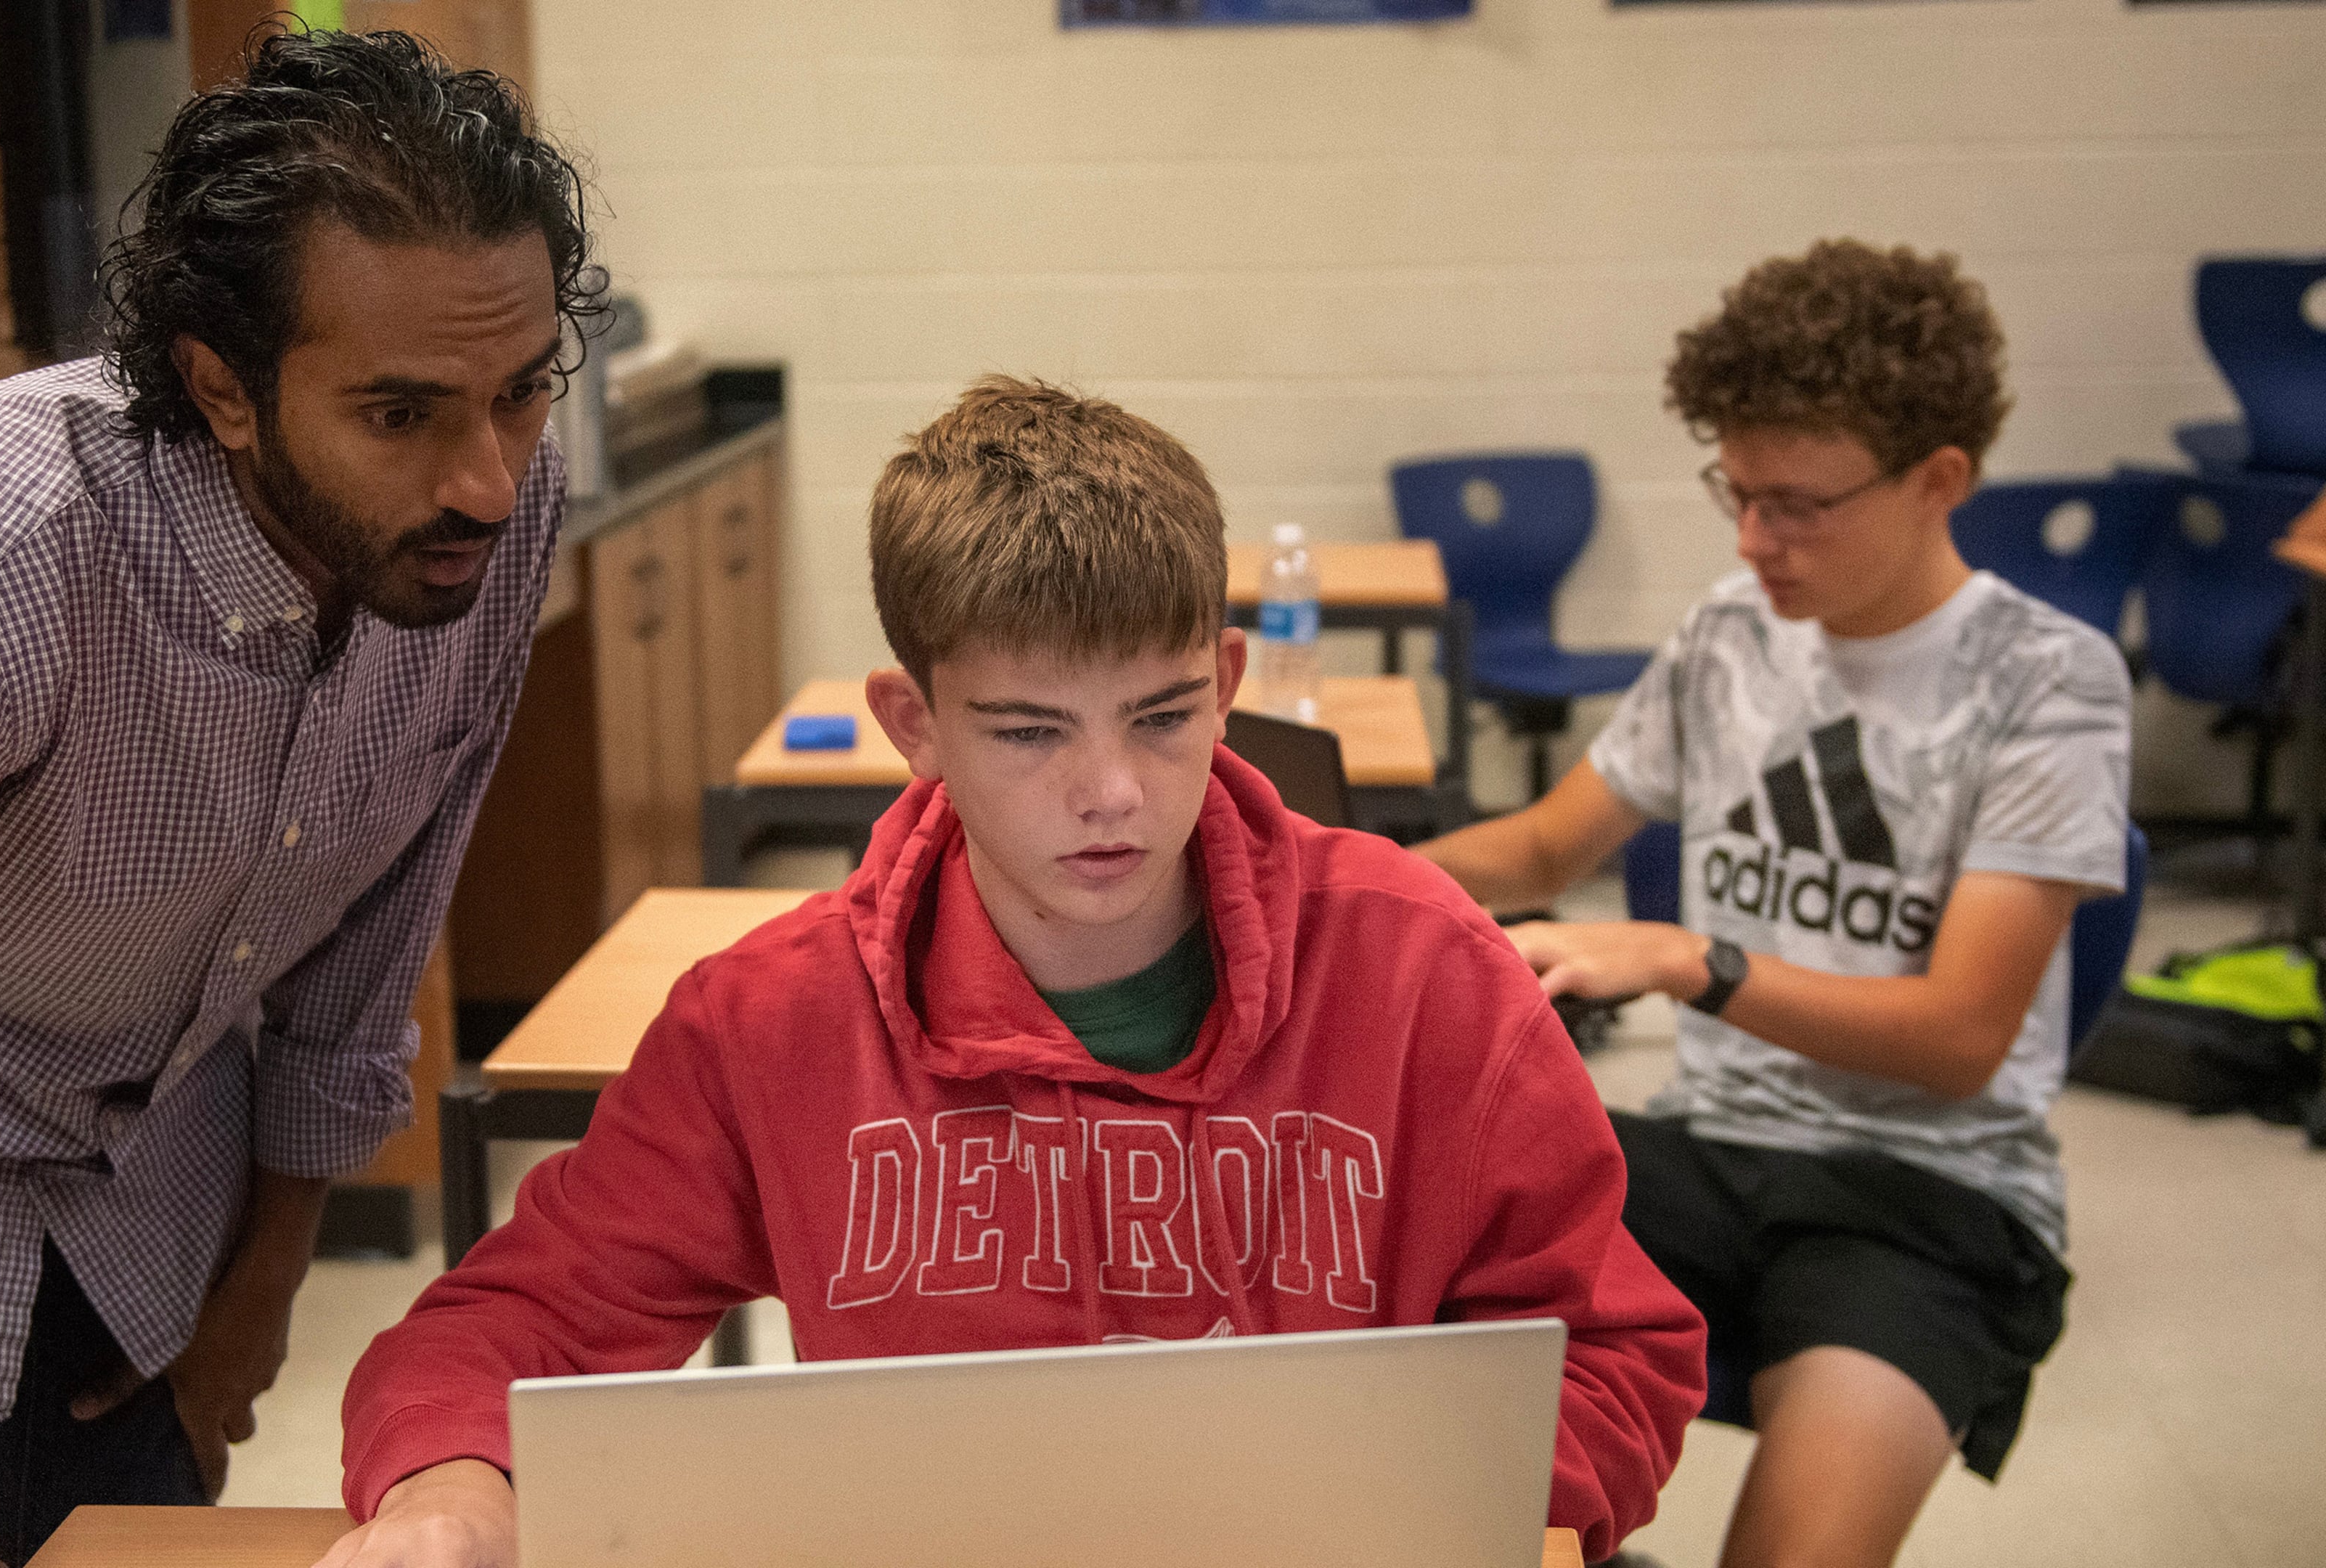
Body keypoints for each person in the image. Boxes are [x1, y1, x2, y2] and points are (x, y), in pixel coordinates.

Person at [321, 377, 1707, 1568]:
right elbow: (504, 1325)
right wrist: (452, 1483)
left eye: (1164, 718)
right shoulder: (773, 1024)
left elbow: (1618, 1357)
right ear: (914, 724)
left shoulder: (1423, 967)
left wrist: (1407, 1521)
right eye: (1030, 733)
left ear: (1228, 680)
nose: (1111, 793)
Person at [0, 30, 601, 1568]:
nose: (486, 477)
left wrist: (269, 1279)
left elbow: (369, 953)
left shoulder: (488, 512)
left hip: (154, 1224)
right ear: (223, 387)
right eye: (403, 413)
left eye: (522, 392)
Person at [1417, 240, 2131, 1568]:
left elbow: (1963, 1034)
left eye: (1800, 503)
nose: (1757, 541)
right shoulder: (1730, 633)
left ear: (1940, 482)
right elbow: (1542, 845)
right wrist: (1310, 866)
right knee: (1399, 1360)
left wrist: (1694, 960)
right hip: (1709, 1151)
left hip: (1925, 1197)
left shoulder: (2049, 679)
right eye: (1737, 495)